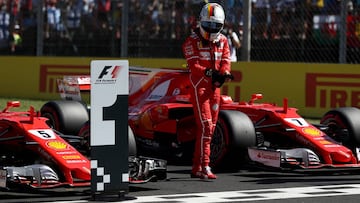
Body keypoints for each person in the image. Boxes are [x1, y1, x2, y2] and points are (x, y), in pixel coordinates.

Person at [182, 2, 232, 179]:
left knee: (209, 128)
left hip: (215, 89)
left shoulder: (224, 40)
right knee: (205, 125)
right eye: (208, 24)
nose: (211, 29)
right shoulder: (191, 41)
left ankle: (197, 167)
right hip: (199, 87)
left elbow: (226, 60)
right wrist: (208, 72)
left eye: (215, 25)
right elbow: (193, 65)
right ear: (200, 22)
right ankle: (205, 165)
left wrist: (225, 73)